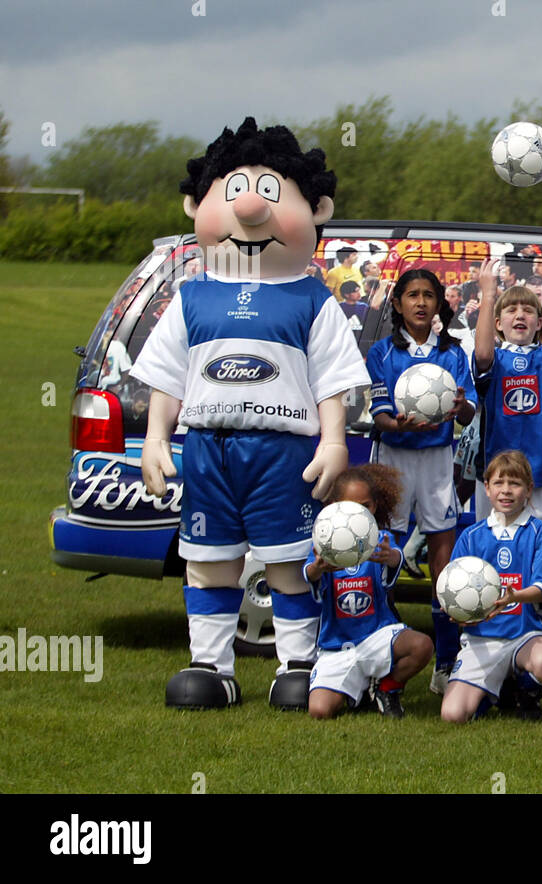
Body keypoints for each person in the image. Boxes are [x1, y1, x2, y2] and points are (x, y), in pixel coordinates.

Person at [134, 117, 370, 710]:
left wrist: (334, 441)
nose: (250, 209)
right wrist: (159, 438)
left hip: (283, 451)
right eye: (234, 189)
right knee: (211, 565)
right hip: (211, 448)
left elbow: (332, 383)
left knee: (290, 565)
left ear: (316, 211)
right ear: (195, 205)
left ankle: (298, 665)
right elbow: (168, 378)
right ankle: (211, 668)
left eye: (271, 193)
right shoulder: (191, 296)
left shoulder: (312, 299)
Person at [365, 267, 478, 694]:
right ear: (397, 304)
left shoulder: (452, 353)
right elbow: (379, 414)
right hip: (393, 458)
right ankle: (380, 647)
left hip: (436, 461)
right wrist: (399, 424)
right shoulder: (381, 352)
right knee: (381, 552)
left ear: (439, 304)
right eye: (412, 295)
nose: (420, 302)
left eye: (428, 295)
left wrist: (460, 407)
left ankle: (445, 663)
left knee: (443, 563)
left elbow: (467, 416)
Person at [306, 464, 433, 719]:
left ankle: (387, 688)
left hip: (377, 637)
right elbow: (309, 573)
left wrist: (392, 558)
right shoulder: (324, 543)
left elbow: (394, 558)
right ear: (336, 506)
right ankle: (360, 690)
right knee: (319, 711)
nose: (359, 514)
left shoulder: (381, 539)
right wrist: (318, 569)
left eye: (366, 506)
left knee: (422, 645)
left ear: (375, 506)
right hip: (338, 646)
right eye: (352, 507)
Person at [441, 451, 542, 722]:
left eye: (515, 484)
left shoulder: (539, 532)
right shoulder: (471, 536)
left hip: (524, 635)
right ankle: (495, 693)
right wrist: (457, 612)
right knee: (452, 715)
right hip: (482, 638)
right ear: (486, 488)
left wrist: (515, 596)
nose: (506, 491)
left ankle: (526, 693)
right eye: (499, 483)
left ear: (529, 490)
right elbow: (452, 586)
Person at [472, 254, 542, 527]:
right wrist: (488, 295)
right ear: (497, 323)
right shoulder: (495, 358)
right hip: (495, 475)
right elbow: (481, 352)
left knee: (540, 545)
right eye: (511, 310)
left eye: (528, 310)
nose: (520, 315)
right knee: (492, 543)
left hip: (541, 473)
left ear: (539, 323)